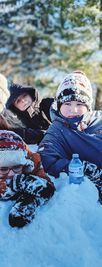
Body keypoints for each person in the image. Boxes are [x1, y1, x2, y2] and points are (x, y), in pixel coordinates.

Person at [38, 70, 102, 202]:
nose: (73, 110)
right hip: (91, 188)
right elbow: (47, 160)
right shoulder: (57, 130)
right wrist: (80, 168)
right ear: (59, 105)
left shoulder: (99, 120)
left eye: (79, 104)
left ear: (88, 106)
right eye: (67, 104)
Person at [0, 130, 55, 227]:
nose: (11, 174)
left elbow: (45, 184)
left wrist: (31, 199)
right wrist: (7, 186)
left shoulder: (30, 160)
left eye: (16, 167)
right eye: (3, 169)